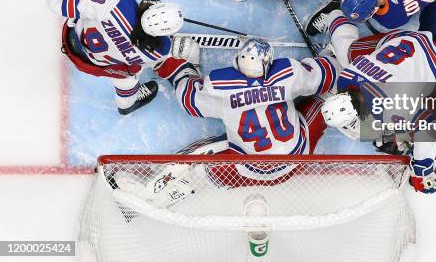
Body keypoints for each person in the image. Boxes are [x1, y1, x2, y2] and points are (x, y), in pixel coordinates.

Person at [112, 38, 342, 205]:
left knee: (198, 159)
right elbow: (325, 75)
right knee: (329, 101)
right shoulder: (288, 73)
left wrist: (180, 67)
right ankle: (175, 191)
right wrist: (329, 58)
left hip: (248, 168)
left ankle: (151, 192)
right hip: (295, 160)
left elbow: (189, 100)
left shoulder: (221, 87)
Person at [306, 0, 436, 194]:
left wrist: (422, 169)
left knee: (420, 123)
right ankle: (335, 14)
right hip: (408, 41)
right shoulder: (350, 75)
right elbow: (343, 46)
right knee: (347, 53)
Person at [32, 0, 196, 114]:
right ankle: (127, 105)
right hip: (98, 64)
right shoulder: (159, 51)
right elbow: (140, 64)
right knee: (127, 75)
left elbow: (65, 3)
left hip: (73, 39)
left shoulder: (120, 1)